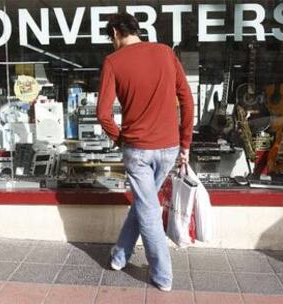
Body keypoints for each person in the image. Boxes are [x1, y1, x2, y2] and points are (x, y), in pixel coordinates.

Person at [97, 12, 194, 292]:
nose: (112, 43)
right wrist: (185, 143)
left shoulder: (113, 61)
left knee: (148, 209)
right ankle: (119, 256)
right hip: (169, 147)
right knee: (146, 203)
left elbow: (103, 115)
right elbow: (187, 99)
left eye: (110, 38)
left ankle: (163, 276)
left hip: (137, 149)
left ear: (116, 32)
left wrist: (120, 141)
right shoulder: (165, 52)